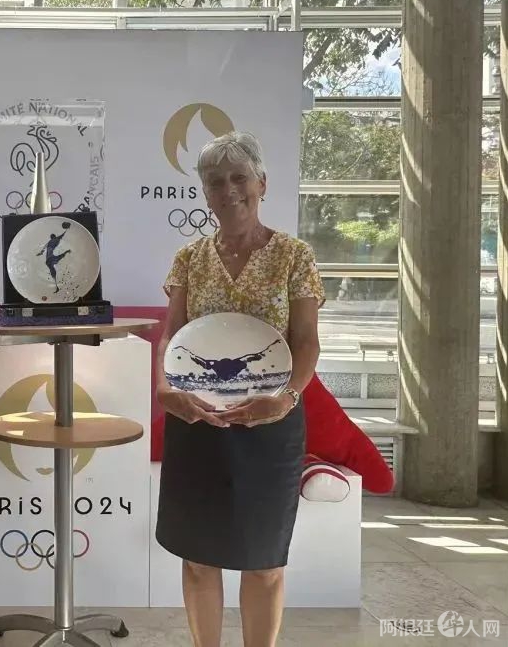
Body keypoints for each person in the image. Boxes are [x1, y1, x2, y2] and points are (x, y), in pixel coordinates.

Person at [154, 132, 324, 647]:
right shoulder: (188, 258)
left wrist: (286, 399)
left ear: (262, 184)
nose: (228, 190)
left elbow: (306, 342)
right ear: (205, 193)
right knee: (198, 561)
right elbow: (171, 336)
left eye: (239, 178)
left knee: (264, 563)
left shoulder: (294, 256)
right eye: (215, 181)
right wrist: (164, 389)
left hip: (271, 422)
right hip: (198, 420)